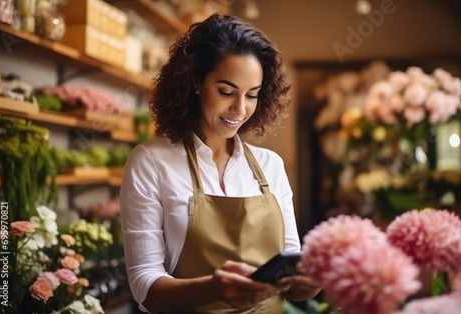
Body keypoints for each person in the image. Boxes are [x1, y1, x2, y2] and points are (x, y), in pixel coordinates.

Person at [120, 14, 321, 314]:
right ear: (196, 82)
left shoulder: (271, 165)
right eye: (226, 92)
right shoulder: (150, 163)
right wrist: (212, 289)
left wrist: (308, 283)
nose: (240, 109)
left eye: (252, 95)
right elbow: (144, 285)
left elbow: (289, 261)